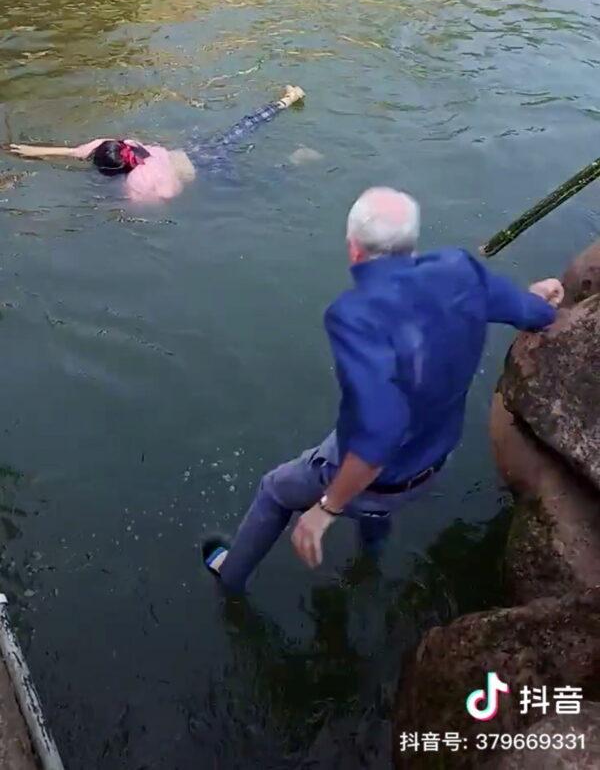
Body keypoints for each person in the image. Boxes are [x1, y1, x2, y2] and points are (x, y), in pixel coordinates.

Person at [202, 186, 564, 592]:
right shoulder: (460, 271)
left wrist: (326, 509)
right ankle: (369, 563)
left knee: (275, 491)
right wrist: (544, 298)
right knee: (379, 498)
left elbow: (378, 437)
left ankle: (229, 577)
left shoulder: (354, 317)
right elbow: (530, 313)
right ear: (411, 243)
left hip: (369, 479)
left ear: (354, 250)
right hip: (429, 468)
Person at [9, 85, 305, 204]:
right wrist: (25, 150)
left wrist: (121, 209)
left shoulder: (137, 184)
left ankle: (295, 160)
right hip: (196, 150)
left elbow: (170, 197)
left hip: (208, 168)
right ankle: (288, 99)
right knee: (243, 126)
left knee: (253, 185)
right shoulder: (125, 144)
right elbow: (71, 152)